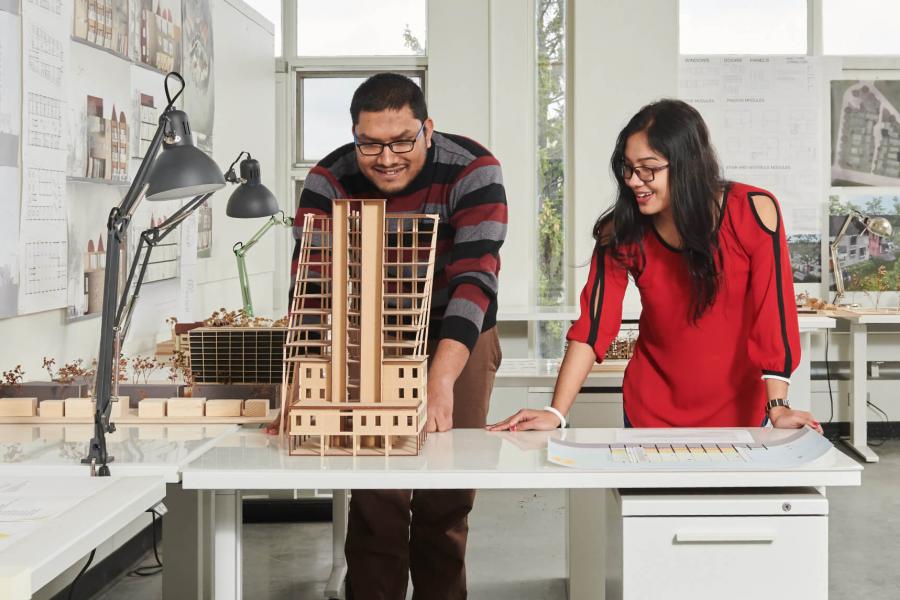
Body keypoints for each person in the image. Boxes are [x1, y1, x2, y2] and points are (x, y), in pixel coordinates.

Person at [290, 73, 507, 600]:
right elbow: (313, 289)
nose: (386, 158)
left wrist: (439, 383)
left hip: (459, 332)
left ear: (427, 129)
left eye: (401, 141)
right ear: (353, 135)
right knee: (376, 497)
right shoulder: (329, 180)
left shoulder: (473, 171)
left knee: (445, 496)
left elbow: (474, 279)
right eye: (370, 145)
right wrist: (299, 382)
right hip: (367, 334)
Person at [488, 99, 821, 434]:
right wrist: (556, 413)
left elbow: (774, 315)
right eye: (628, 168)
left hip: (739, 411)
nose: (634, 180)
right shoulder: (619, 232)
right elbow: (593, 326)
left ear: (687, 165)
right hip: (649, 412)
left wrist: (778, 407)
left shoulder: (753, 211)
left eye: (648, 168)